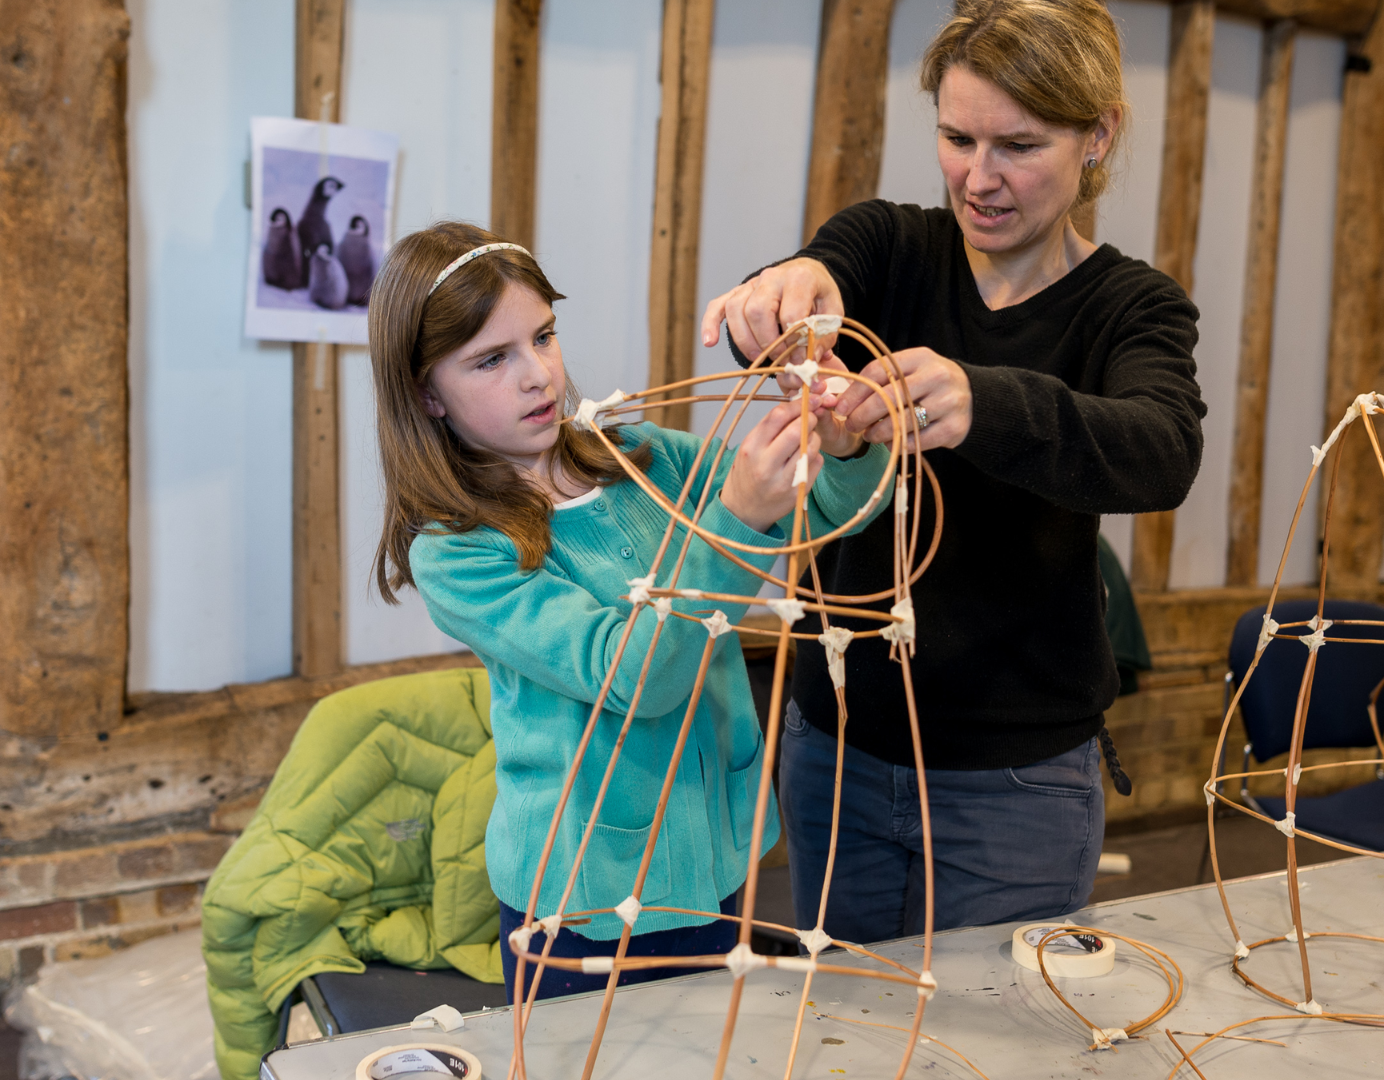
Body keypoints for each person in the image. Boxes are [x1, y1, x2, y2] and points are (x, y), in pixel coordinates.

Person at [699, 0, 1205, 942]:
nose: (980, 178)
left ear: (1099, 135)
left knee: (998, 1036)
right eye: (957, 137)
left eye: (1019, 144)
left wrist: (986, 401)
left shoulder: (1132, 307)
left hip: (1018, 779)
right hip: (837, 749)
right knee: (847, 1021)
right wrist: (783, 297)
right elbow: (823, 276)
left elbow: (1162, 450)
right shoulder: (891, 248)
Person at [367, 222, 892, 998]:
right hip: (587, 896)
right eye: (491, 359)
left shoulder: (642, 455)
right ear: (426, 396)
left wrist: (841, 446)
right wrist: (739, 517)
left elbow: (814, 519)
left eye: (543, 336)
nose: (537, 375)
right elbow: (633, 677)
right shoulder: (458, 552)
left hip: (716, 854)